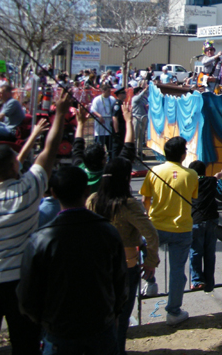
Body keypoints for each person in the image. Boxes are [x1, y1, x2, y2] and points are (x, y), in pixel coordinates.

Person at [0, 92, 70, 355]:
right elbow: (49, 152)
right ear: (15, 168)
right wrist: (60, 114)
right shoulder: (28, 191)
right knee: (26, 342)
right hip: (22, 281)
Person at [17, 166, 128, 355]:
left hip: (59, 329)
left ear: (53, 193)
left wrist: (44, 321)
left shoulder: (40, 240)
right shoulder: (108, 232)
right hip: (100, 324)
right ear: (87, 190)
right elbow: (120, 280)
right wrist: (115, 312)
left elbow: (27, 293)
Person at [87, 104, 159, 355]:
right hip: (125, 266)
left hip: (95, 265)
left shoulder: (93, 199)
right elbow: (150, 233)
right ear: (126, 178)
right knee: (120, 315)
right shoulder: (128, 204)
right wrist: (151, 261)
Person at [139, 135, 199, 326]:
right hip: (182, 228)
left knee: (146, 252)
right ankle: (173, 311)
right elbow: (193, 196)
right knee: (177, 271)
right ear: (182, 155)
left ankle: (150, 282)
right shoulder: (191, 174)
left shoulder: (154, 171)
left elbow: (144, 199)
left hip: (156, 224)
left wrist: (149, 215)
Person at [188, 160, 222, 292]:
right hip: (212, 220)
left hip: (196, 221)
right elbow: (217, 175)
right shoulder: (210, 181)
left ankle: (197, 280)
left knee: (195, 251)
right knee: (209, 253)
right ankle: (209, 283)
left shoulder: (190, 183)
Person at [90, 82, 117, 154]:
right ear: (103, 91)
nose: (110, 93)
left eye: (110, 91)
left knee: (111, 149)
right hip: (100, 130)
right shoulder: (97, 99)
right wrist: (99, 116)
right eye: (108, 91)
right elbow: (93, 110)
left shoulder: (112, 99)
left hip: (110, 129)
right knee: (99, 149)